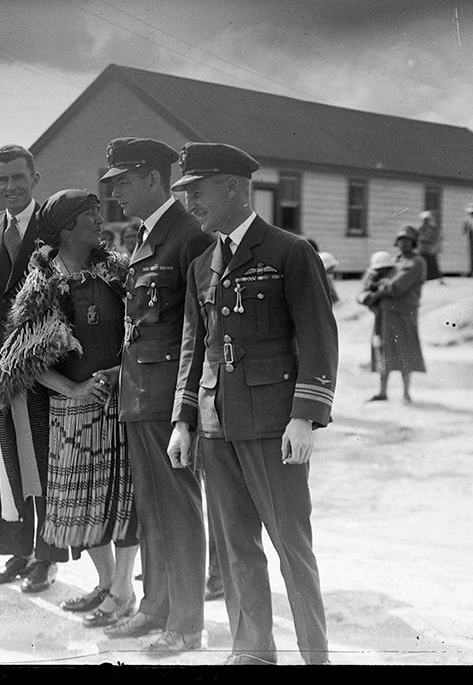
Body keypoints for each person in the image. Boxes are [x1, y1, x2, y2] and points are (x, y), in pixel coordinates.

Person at [168, 142, 338, 666]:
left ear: (234, 189)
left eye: (197, 192)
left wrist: (305, 416)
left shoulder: (290, 251)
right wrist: (184, 420)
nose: (191, 204)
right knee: (236, 548)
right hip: (216, 426)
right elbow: (194, 349)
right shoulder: (202, 264)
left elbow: (319, 337)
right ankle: (252, 654)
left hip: (273, 424)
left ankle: (316, 657)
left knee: (292, 547)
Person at [0, 190, 140, 629]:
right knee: (81, 504)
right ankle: (109, 584)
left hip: (121, 403)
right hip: (72, 414)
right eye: (91, 215)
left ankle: (125, 591)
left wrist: (117, 372)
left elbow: (145, 333)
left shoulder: (119, 271)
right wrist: (72, 388)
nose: (100, 219)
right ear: (68, 227)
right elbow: (21, 360)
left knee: (123, 501)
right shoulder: (42, 285)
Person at [99, 137, 214, 654]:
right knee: (152, 509)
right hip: (139, 392)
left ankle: (187, 623)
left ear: (151, 179)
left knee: (179, 510)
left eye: (123, 181)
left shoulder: (188, 237)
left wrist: (186, 412)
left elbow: (200, 331)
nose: (116, 192)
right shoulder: (149, 235)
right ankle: (155, 607)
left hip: (170, 398)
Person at [0, 144, 69, 593]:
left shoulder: (54, 228)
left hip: (42, 359)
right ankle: (17, 550)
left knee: (45, 454)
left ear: (33, 178)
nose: (9, 186)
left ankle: (47, 557)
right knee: (6, 453)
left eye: (17, 177)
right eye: (0, 179)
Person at [366, 226, 427, 403]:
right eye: (400, 240)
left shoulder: (417, 262)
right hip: (386, 312)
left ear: (414, 242)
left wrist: (379, 287)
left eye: (407, 240)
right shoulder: (395, 261)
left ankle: (406, 393)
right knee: (384, 351)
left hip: (404, 312)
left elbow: (397, 287)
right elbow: (374, 279)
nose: (403, 243)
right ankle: (382, 392)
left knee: (405, 351)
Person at [356, 250, 398, 379]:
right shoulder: (371, 275)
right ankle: (377, 366)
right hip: (376, 306)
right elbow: (362, 295)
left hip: (388, 311)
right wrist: (376, 292)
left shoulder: (393, 275)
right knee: (378, 339)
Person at [417, 211, 444, 284]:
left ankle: (439, 279)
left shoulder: (432, 227)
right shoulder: (420, 227)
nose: (425, 221)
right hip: (423, 247)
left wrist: (436, 246)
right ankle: (422, 278)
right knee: (422, 263)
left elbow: (437, 237)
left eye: (427, 219)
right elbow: (418, 237)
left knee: (434, 263)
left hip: (430, 247)